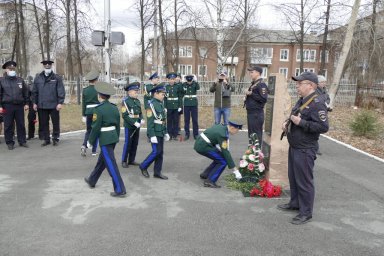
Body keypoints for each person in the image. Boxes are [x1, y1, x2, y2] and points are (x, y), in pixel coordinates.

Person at [277, 71, 329, 225]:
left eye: (300, 83)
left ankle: (306, 212)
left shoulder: (317, 103)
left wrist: (301, 123)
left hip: (305, 148)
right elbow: (295, 115)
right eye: (297, 83)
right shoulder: (302, 100)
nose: (297, 86)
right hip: (295, 146)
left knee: (304, 181)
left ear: (311, 85)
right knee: (293, 178)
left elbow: (323, 126)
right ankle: (295, 203)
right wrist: (287, 123)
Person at [84, 82, 126, 198]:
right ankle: (92, 180)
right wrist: (116, 137)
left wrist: (90, 141)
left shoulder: (99, 109)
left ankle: (120, 189)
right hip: (113, 138)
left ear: (99, 95)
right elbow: (117, 125)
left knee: (111, 164)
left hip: (105, 139)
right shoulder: (114, 108)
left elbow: (95, 128)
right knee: (102, 161)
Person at [194, 120, 242, 188]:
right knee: (223, 161)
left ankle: (205, 174)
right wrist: (235, 170)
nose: (237, 132)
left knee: (219, 158)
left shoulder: (223, 127)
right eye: (237, 130)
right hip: (203, 146)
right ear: (232, 128)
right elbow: (225, 152)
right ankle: (210, 181)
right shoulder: (222, 134)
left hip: (201, 142)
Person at [139, 85, 170, 180]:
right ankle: (143, 166)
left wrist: (165, 132)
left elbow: (163, 120)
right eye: (162, 94)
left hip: (160, 131)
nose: (163, 96)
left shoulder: (161, 103)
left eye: (164, 94)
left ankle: (157, 172)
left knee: (160, 152)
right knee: (156, 151)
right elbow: (150, 121)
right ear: (156, 93)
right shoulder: (151, 104)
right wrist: (151, 135)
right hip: (155, 132)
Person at [32, 60, 65, 146]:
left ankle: (55, 138)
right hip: (42, 105)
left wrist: (60, 102)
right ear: (43, 67)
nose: (47, 67)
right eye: (46, 66)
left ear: (51, 66)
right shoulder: (38, 77)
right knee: (44, 123)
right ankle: (46, 139)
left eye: (49, 66)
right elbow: (34, 91)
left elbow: (60, 90)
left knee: (55, 122)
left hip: (54, 105)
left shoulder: (57, 77)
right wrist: (34, 103)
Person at [0, 60, 29, 150]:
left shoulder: (20, 80)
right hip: (7, 106)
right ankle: (9, 142)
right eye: (10, 68)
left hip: (19, 106)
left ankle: (22, 141)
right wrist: (0, 106)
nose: (12, 70)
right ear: (6, 70)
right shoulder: (2, 81)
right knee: (8, 125)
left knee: (21, 124)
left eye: (13, 68)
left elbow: (26, 92)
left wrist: (27, 103)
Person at [121, 81, 143, 168]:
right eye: (135, 91)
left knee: (135, 143)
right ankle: (124, 160)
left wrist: (142, 119)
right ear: (129, 92)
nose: (137, 92)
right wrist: (134, 123)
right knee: (128, 143)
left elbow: (140, 113)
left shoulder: (137, 101)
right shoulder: (125, 101)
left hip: (137, 126)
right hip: (129, 126)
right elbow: (124, 115)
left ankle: (131, 160)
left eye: (137, 91)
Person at [244, 65, 268, 144]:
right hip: (251, 113)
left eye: (252, 72)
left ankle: (256, 155)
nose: (250, 74)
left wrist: (251, 94)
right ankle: (251, 154)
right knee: (251, 135)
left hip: (256, 114)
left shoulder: (261, 84)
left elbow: (264, 99)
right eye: (250, 72)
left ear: (258, 73)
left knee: (256, 135)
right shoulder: (255, 83)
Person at [81, 70, 100, 157]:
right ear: (96, 80)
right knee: (96, 130)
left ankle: (84, 145)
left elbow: (84, 104)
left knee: (88, 130)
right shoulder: (98, 89)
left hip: (88, 112)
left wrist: (83, 115)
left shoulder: (85, 90)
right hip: (97, 112)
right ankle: (93, 151)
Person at [315, 75, 331, 155]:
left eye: (325, 82)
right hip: (317, 112)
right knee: (316, 130)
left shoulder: (324, 90)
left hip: (323, 111)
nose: (324, 83)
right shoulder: (315, 91)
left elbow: (327, 98)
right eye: (322, 82)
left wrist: (327, 104)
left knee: (318, 130)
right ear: (318, 83)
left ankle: (315, 147)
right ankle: (315, 148)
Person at [165, 72, 183, 140]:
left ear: (175, 80)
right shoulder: (166, 87)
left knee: (176, 121)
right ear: (168, 80)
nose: (172, 80)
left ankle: (175, 135)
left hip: (176, 106)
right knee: (169, 121)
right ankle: (169, 134)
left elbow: (180, 97)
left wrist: (180, 106)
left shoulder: (178, 86)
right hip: (169, 106)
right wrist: (165, 107)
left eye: (173, 79)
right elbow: (165, 98)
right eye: (170, 79)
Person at [182, 74, 200, 140]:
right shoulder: (184, 84)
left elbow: (198, 88)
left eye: (190, 81)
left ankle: (196, 134)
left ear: (192, 80)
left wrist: (196, 81)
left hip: (194, 104)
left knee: (195, 120)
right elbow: (182, 90)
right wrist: (183, 81)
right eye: (188, 81)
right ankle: (187, 134)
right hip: (186, 104)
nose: (189, 82)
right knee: (186, 120)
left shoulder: (195, 84)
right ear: (186, 80)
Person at [26, 76, 37, 140]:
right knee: (31, 118)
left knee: (43, 119)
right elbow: (27, 95)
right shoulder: (29, 86)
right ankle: (31, 134)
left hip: (41, 103)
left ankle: (42, 134)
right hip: (32, 103)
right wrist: (27, 103)